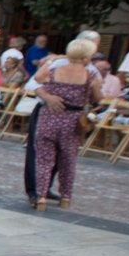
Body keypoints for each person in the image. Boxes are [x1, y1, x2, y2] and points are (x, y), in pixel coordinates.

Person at [31, 37, 100, 210]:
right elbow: (98, 98)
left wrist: (51, 61)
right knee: (68, 160)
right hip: (72, 120)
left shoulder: (55, 71)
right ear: (87, 56)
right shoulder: (90, 75)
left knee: (43, 160)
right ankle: (65, 197)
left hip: (49, 117)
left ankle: (41, 197)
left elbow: (38, 79)